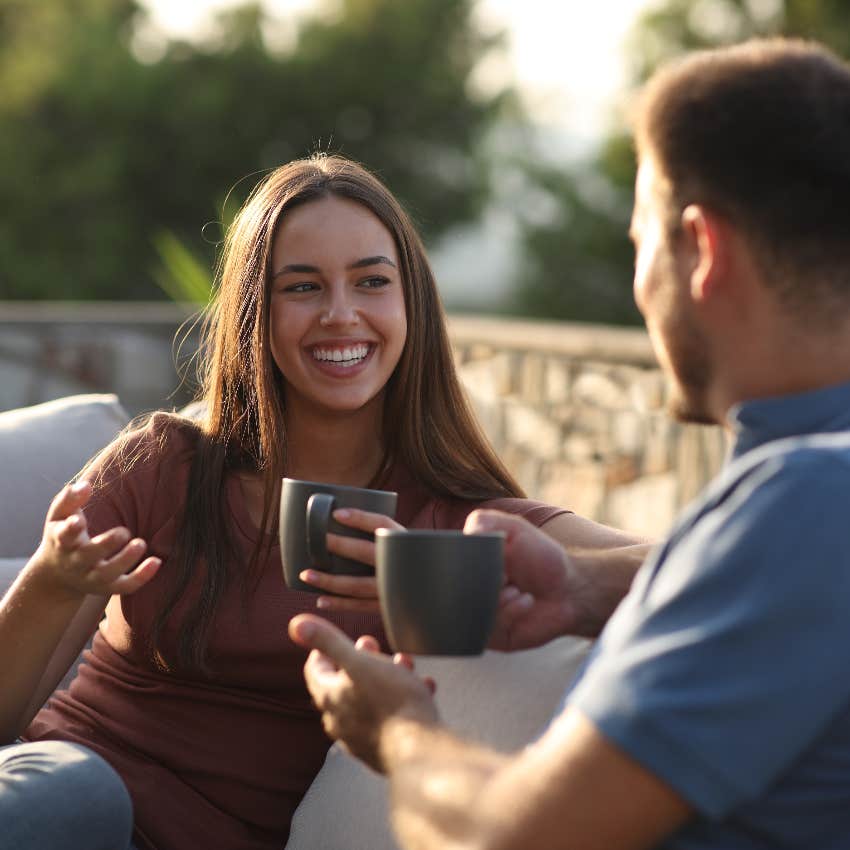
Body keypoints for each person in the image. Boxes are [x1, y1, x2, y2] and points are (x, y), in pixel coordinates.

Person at [290, 37, 850, 850]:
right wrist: (586, 592)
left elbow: (512, 839)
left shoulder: (806, 500)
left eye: (639, 242)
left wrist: (400, 731)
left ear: (703, 250)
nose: (639, 283)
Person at [0, 154, 645, 850]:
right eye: (303, 287)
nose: (342, 315)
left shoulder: (448, 522)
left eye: (371, 281)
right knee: (80, 794)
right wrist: (51, 578)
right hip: (66, 801)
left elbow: (693, 565)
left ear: (411, 305)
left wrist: (555, 578)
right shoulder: (163, 466)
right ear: (256, 313)